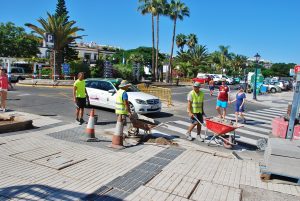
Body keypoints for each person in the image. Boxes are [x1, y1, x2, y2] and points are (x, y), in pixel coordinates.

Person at [114, 80, 132, 146]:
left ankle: (120, 137)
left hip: (117, 111)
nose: (128, 87)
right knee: (122, 126)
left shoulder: (118, 92)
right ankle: (120, 138)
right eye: (127, 86)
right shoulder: (124, 93)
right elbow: (126, 103)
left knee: (119, 125)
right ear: (124, 86)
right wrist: (129, 112)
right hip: (122, 112)